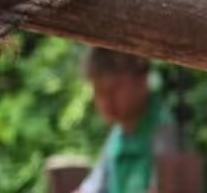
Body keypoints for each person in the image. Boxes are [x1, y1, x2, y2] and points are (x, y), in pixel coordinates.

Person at [76, 49, 177, 193]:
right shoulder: (117, 136)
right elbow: (92, 188)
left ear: (142, 79)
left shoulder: (165, 131)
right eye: (99, 91)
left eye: (116, 87)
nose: (106, 100)